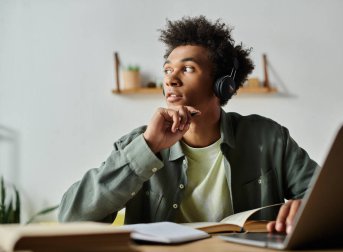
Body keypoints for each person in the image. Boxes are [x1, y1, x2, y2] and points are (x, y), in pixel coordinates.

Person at [58, 16, 318, 235]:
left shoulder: (269, 138)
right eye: (168, 70)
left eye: (188, 69)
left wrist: (304, 207)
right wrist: (149, 147)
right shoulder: (138, 144)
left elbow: (329, 201)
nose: (171, 79)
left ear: (222, 85)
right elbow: (71, 218)